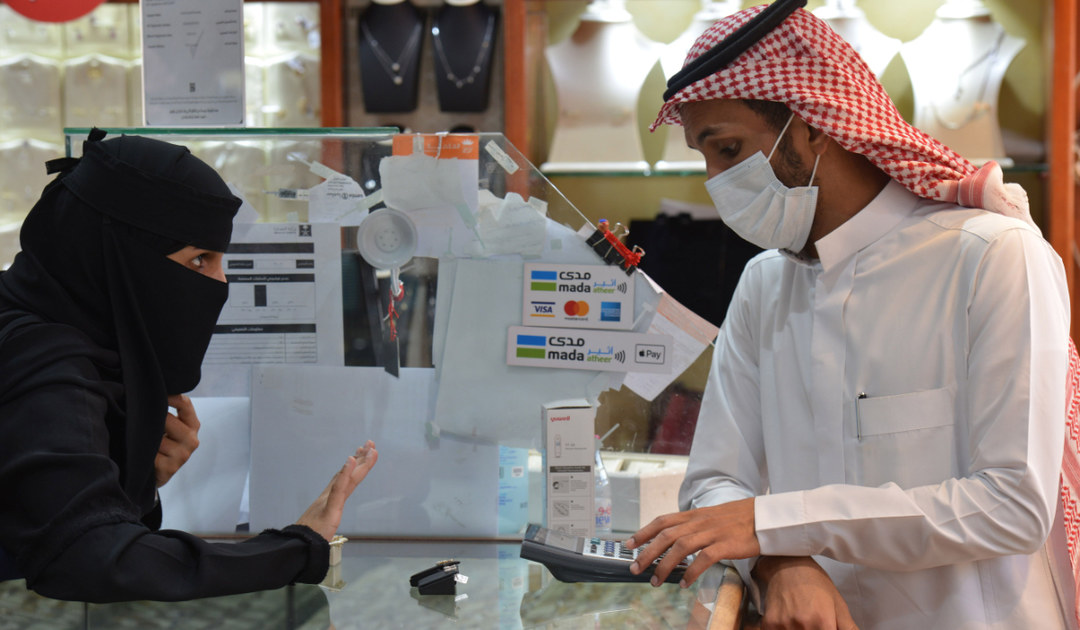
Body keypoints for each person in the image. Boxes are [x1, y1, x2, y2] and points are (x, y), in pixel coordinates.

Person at [623, 3, 1074, 629]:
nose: (715, 181)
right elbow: (715, 483)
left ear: (812, 127)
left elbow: (1010, 505)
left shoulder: (992, 258)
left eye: (728, 150)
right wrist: (785, 563)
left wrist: (774, 525)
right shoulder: (764, 284)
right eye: (706, 157)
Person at [0, 129, 378, 603]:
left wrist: (133, 480)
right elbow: (87, 556)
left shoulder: (41, 324)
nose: (220, 283)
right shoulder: (47, 364)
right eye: (199, 259)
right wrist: (296, 548)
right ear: (123, 261)